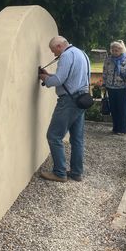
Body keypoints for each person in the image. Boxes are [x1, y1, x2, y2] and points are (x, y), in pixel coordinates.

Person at [38, 36, 90, 182]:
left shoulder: (66, 55)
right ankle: (76, 172)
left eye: (53, 50)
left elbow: (58, 80)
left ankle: (59, 173)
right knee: (77, 139)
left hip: (69, 101)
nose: (53, 54)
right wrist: (49, 75)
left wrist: (43, 77)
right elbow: (70, 79)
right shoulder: (81, 53)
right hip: (81, 99)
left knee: (54, 136)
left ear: (59, 46)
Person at [102, 40, 126, 135]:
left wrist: (123, 76)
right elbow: (105, 72)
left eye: (116, 50)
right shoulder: (108, 60)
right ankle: (115, 128)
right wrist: (104, 84)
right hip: (110, 87)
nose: (114, 52)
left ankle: (123, 129)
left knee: (122, 109)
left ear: (121, 50)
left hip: (122, 87)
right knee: (114, 109)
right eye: (113, 50)